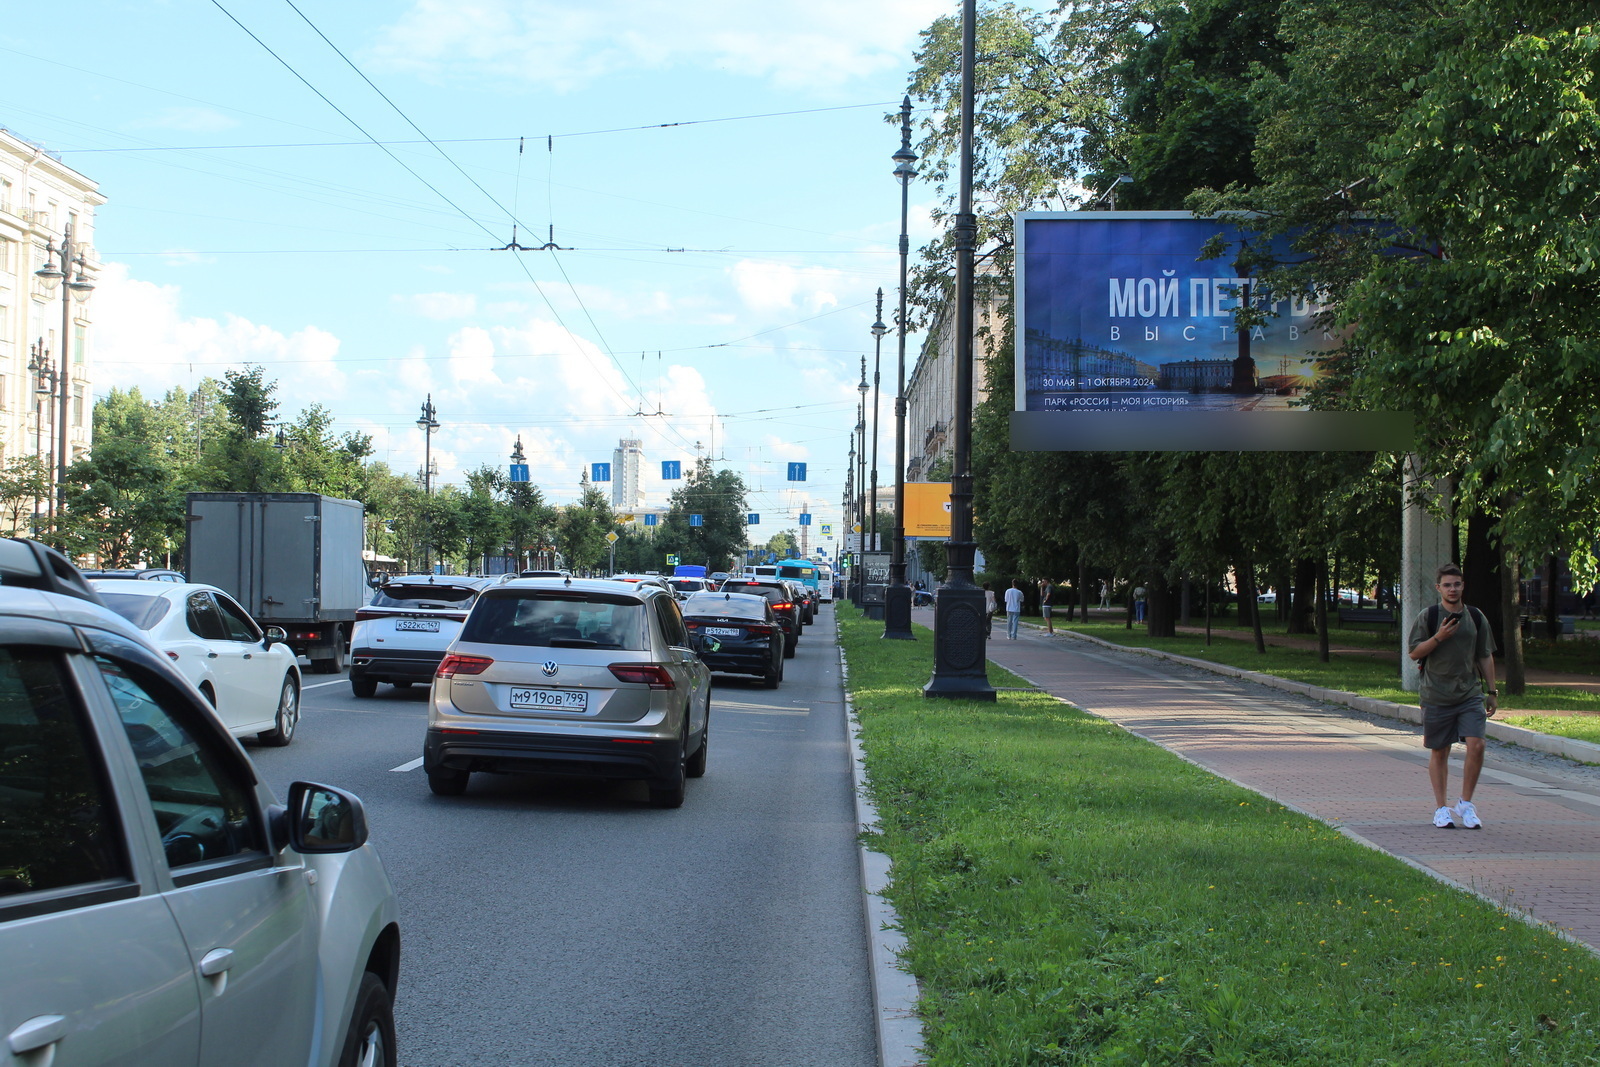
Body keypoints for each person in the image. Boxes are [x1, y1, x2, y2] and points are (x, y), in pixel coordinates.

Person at [1407, 562, 1498, 830]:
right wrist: (1439, 637)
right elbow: (1414, 652)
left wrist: (1492, 691)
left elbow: (1484, 654)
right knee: (1440, 750)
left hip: (1469, 692)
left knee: (1477, 744)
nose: (1453, 589)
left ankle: (1465, 805)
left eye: (1457, 584)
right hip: (1436, 693)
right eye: (1447, 585)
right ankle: (1441, 809)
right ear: (1439, 588)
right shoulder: (1429, 615)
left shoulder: (1476, 617)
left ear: (1463, 586)